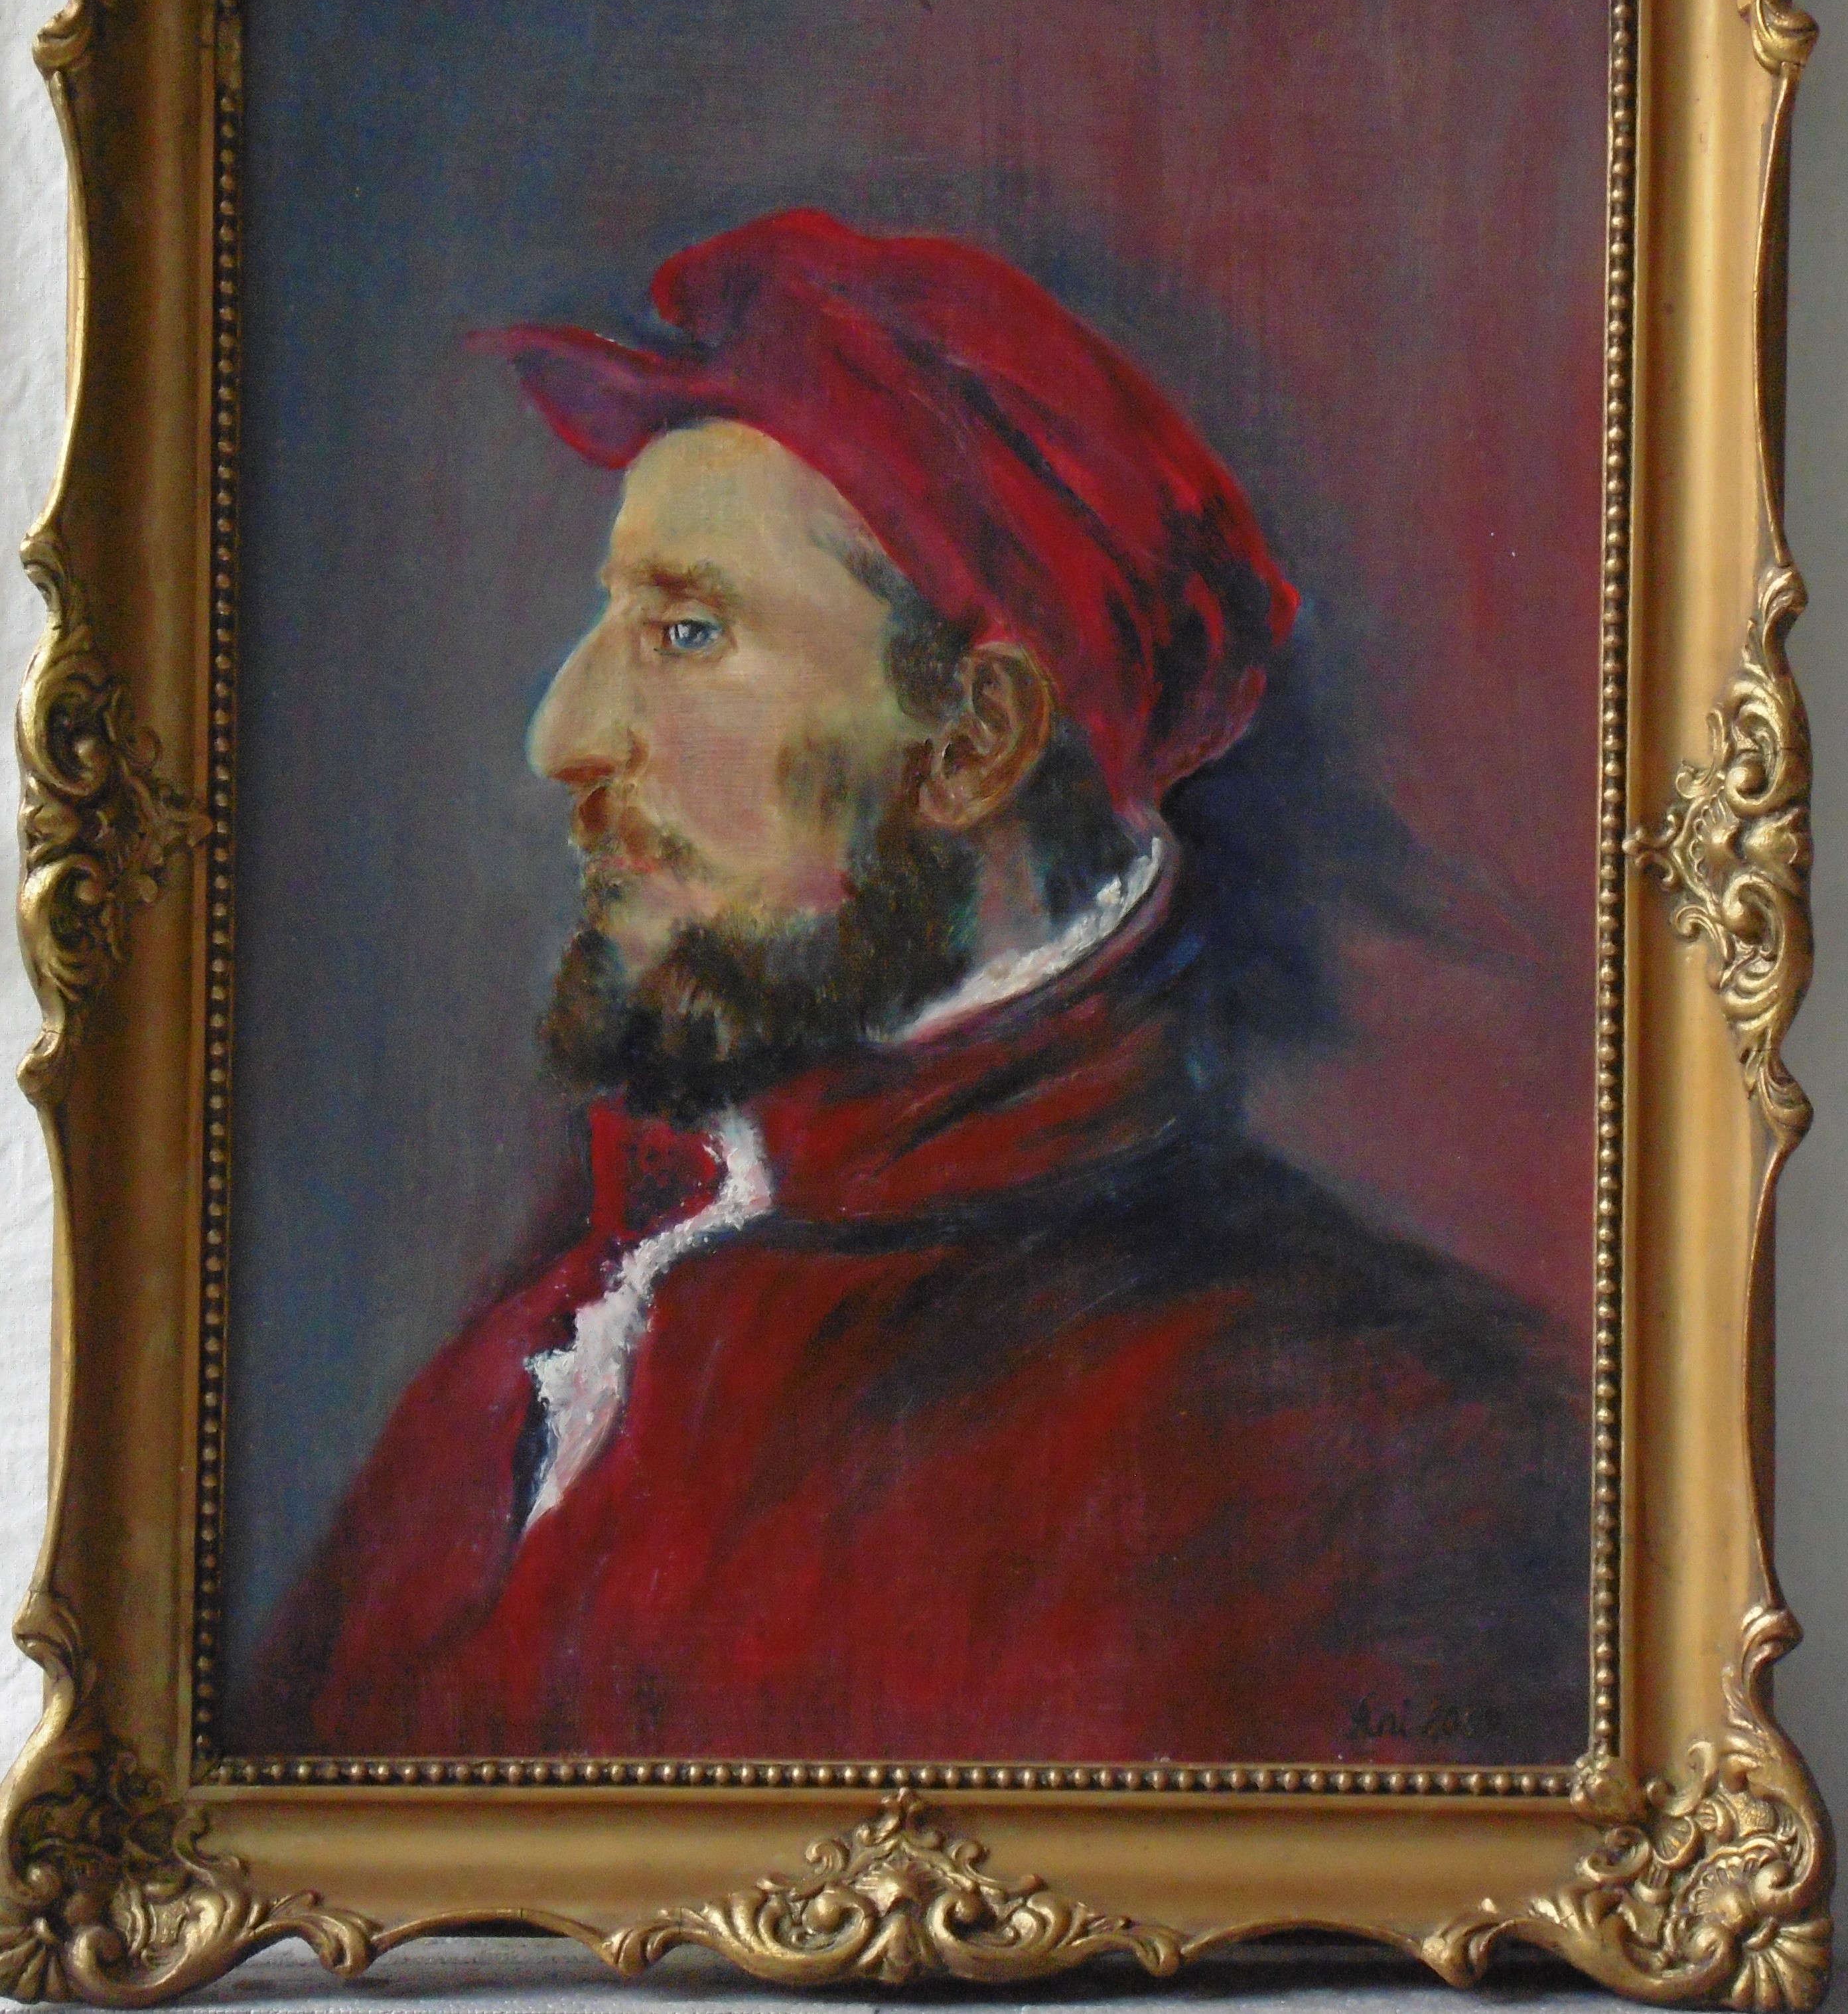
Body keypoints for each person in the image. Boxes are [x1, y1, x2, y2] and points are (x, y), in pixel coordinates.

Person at [237, 210, 1589, 1767]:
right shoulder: (612, 1263)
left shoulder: (1387, 1462)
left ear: (975, 741)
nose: (565, 735)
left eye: (688, 632)